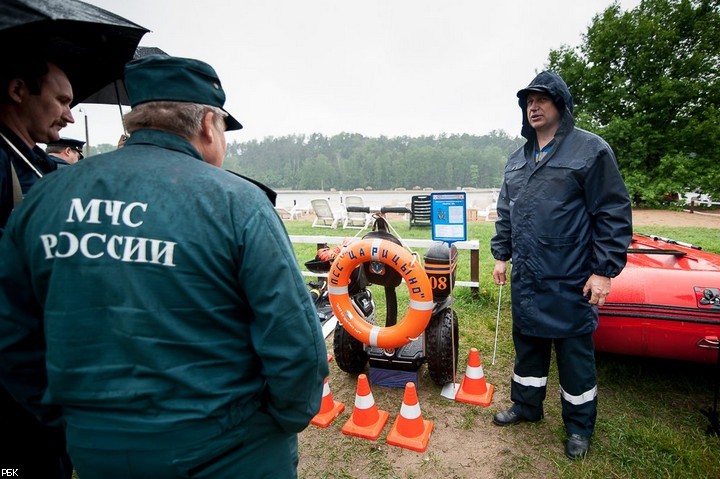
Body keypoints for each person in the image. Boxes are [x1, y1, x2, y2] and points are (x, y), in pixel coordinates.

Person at [0, 54, 329, 478]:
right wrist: (286, 418)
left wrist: (73, 421)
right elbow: (296, 345)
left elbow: (12, 336)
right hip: (230, 453)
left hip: (100, 453)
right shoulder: (238, 203)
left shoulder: (45, 198)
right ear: (209, 124)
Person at [490, 71, 633, 460]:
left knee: (575, 357)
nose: (533, 106)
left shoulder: (589, 150)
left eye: (542, 99)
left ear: (561, 104)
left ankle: (579, 427)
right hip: (529, 277)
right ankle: (526, 406)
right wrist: (501, 254)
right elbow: (507, 211)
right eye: (528, 101)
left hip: (572, 276)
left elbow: (613, 212)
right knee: (529, 347)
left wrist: (603, 270)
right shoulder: (517, 159)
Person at [0, 56, 75, 478]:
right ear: (17, 91)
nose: (69, 114)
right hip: (15, 370)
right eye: (61, 100)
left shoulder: (39, 164)